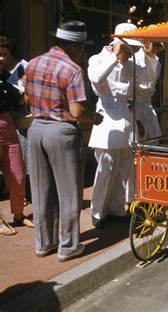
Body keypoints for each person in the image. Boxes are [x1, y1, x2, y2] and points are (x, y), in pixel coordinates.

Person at [24, 21, 102, 260]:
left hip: (36, 128)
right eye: (82, 46)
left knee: (40, 190)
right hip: (62, 131)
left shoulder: (34, 62)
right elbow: (77, 111)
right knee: (69, 193)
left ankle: (44, 243)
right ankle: (68, 246)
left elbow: (27, 98)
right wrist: (94, 117)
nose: (83, 51)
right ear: (74, 46)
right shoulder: (73, 69)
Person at [87, 23, 160, 229]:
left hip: (128, 119)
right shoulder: (99, 59)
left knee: (123, 168)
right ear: (119, 44)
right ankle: (98, 211)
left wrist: (150, 56)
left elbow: (145, 86)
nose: (132, 53)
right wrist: (115, 56)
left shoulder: (132, 64)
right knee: (106, 167)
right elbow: (96, 78)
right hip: (107, 120)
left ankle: (117, 208)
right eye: (130, 49)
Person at [0, 35, 33, 235]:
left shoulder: (6, 77)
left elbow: (20, 102)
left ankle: (19, 215)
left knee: (18, 174)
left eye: (5, 54)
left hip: (10, 126)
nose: (3, 58)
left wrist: (27, 85)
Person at [125, 41, 164, 207]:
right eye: (153, 45)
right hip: (136, 107)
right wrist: (137, 120)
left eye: (157, 46)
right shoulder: (135, 60)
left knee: (153, 147)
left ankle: (148, 189)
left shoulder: (156, 61)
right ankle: (132, 195)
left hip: (147, 106)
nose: (155, 49)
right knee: (136, 152)